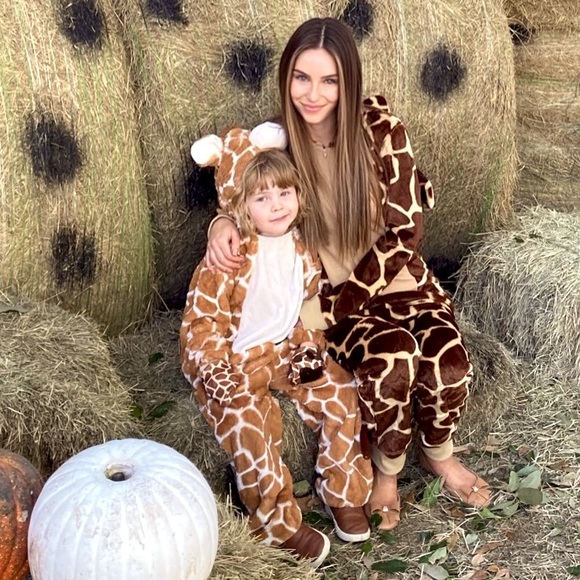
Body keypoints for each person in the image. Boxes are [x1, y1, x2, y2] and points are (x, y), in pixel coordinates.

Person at [205, 17, 491, 532]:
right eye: (301, 78)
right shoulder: (277, 146)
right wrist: (222, 221)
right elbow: (245, 190)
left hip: (401, 283)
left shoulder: (382, 133)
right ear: (286, 79)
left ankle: (439, 454)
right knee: (391, 364)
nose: (313, 94)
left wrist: (342, 304)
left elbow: (406, 231)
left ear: (348, 81)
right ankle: (386, 472)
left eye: (329, 80)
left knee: (448, 364)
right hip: (334, 301)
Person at [180, 122, 373, 569]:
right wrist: (214, 367)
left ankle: (342, 490)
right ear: (241, 206)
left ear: (299, 196)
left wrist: (307, 343)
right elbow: (201, 323)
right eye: (262, 198)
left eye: (284, 193)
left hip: (285, 351)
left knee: (342, 393)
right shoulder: (228, 255)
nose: (277, 205)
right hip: (236, 362)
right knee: (252, 428)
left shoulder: (303, 247)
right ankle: (276, 524)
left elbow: (305, 306)